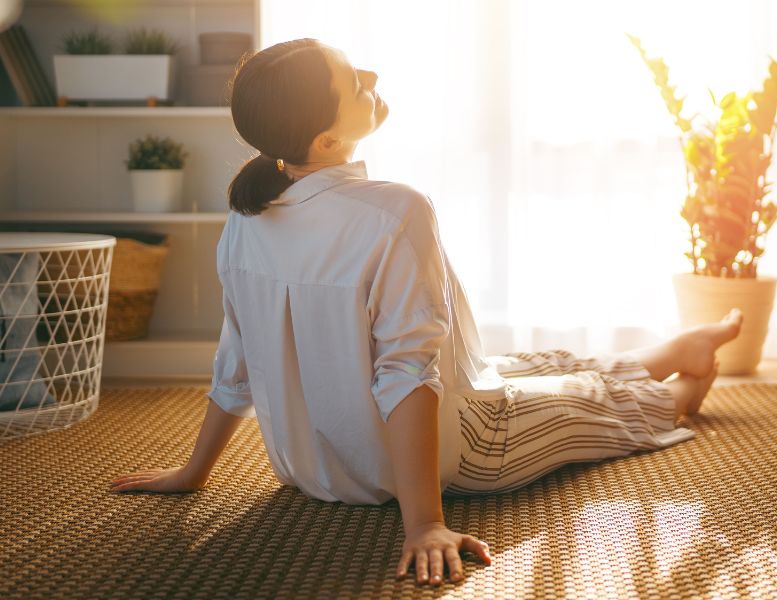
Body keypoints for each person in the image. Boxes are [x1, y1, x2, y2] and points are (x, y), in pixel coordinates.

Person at [109, 38, 744, 587]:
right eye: (354, 81)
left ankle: (674, 351)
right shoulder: (394, 211)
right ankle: (688, 386)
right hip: (464, 449)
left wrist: (196, 472)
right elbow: (406, 374)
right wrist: (427, 524)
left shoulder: (246, 219)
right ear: (326, 138)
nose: (373, 79)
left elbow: (237, 356)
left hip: (312, 469)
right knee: (589, 403)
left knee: (530, 364)